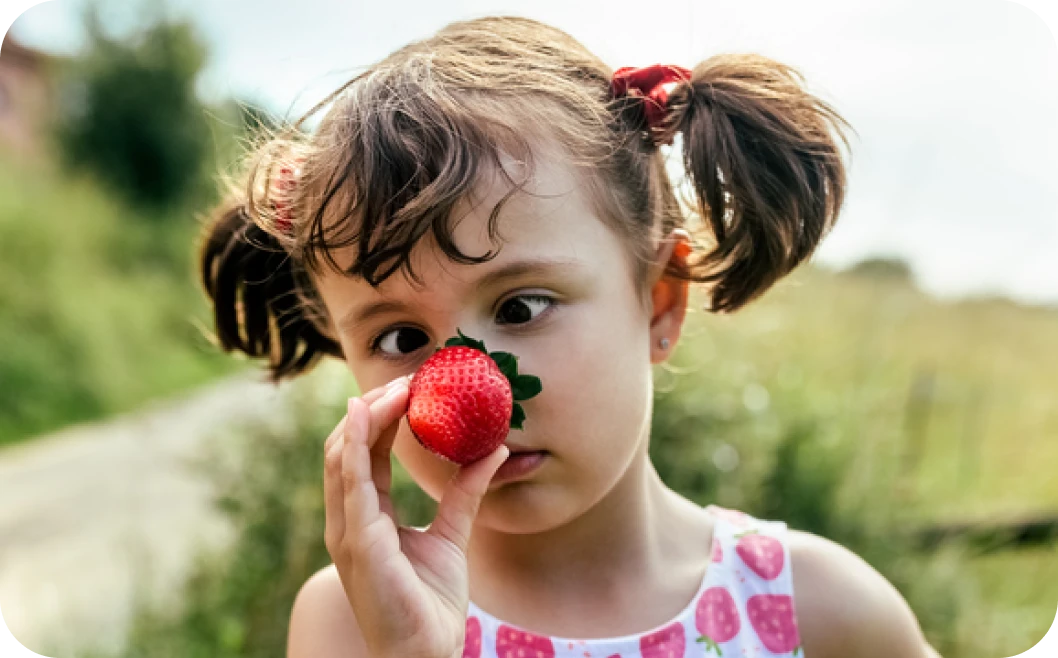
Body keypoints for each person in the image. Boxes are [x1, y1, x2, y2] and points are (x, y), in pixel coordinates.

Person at [198, 15, 943, 658]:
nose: (472, 394)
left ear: (658, 302)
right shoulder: (351, 622)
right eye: (399, 338)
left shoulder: (825, 614)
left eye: (521, 307)